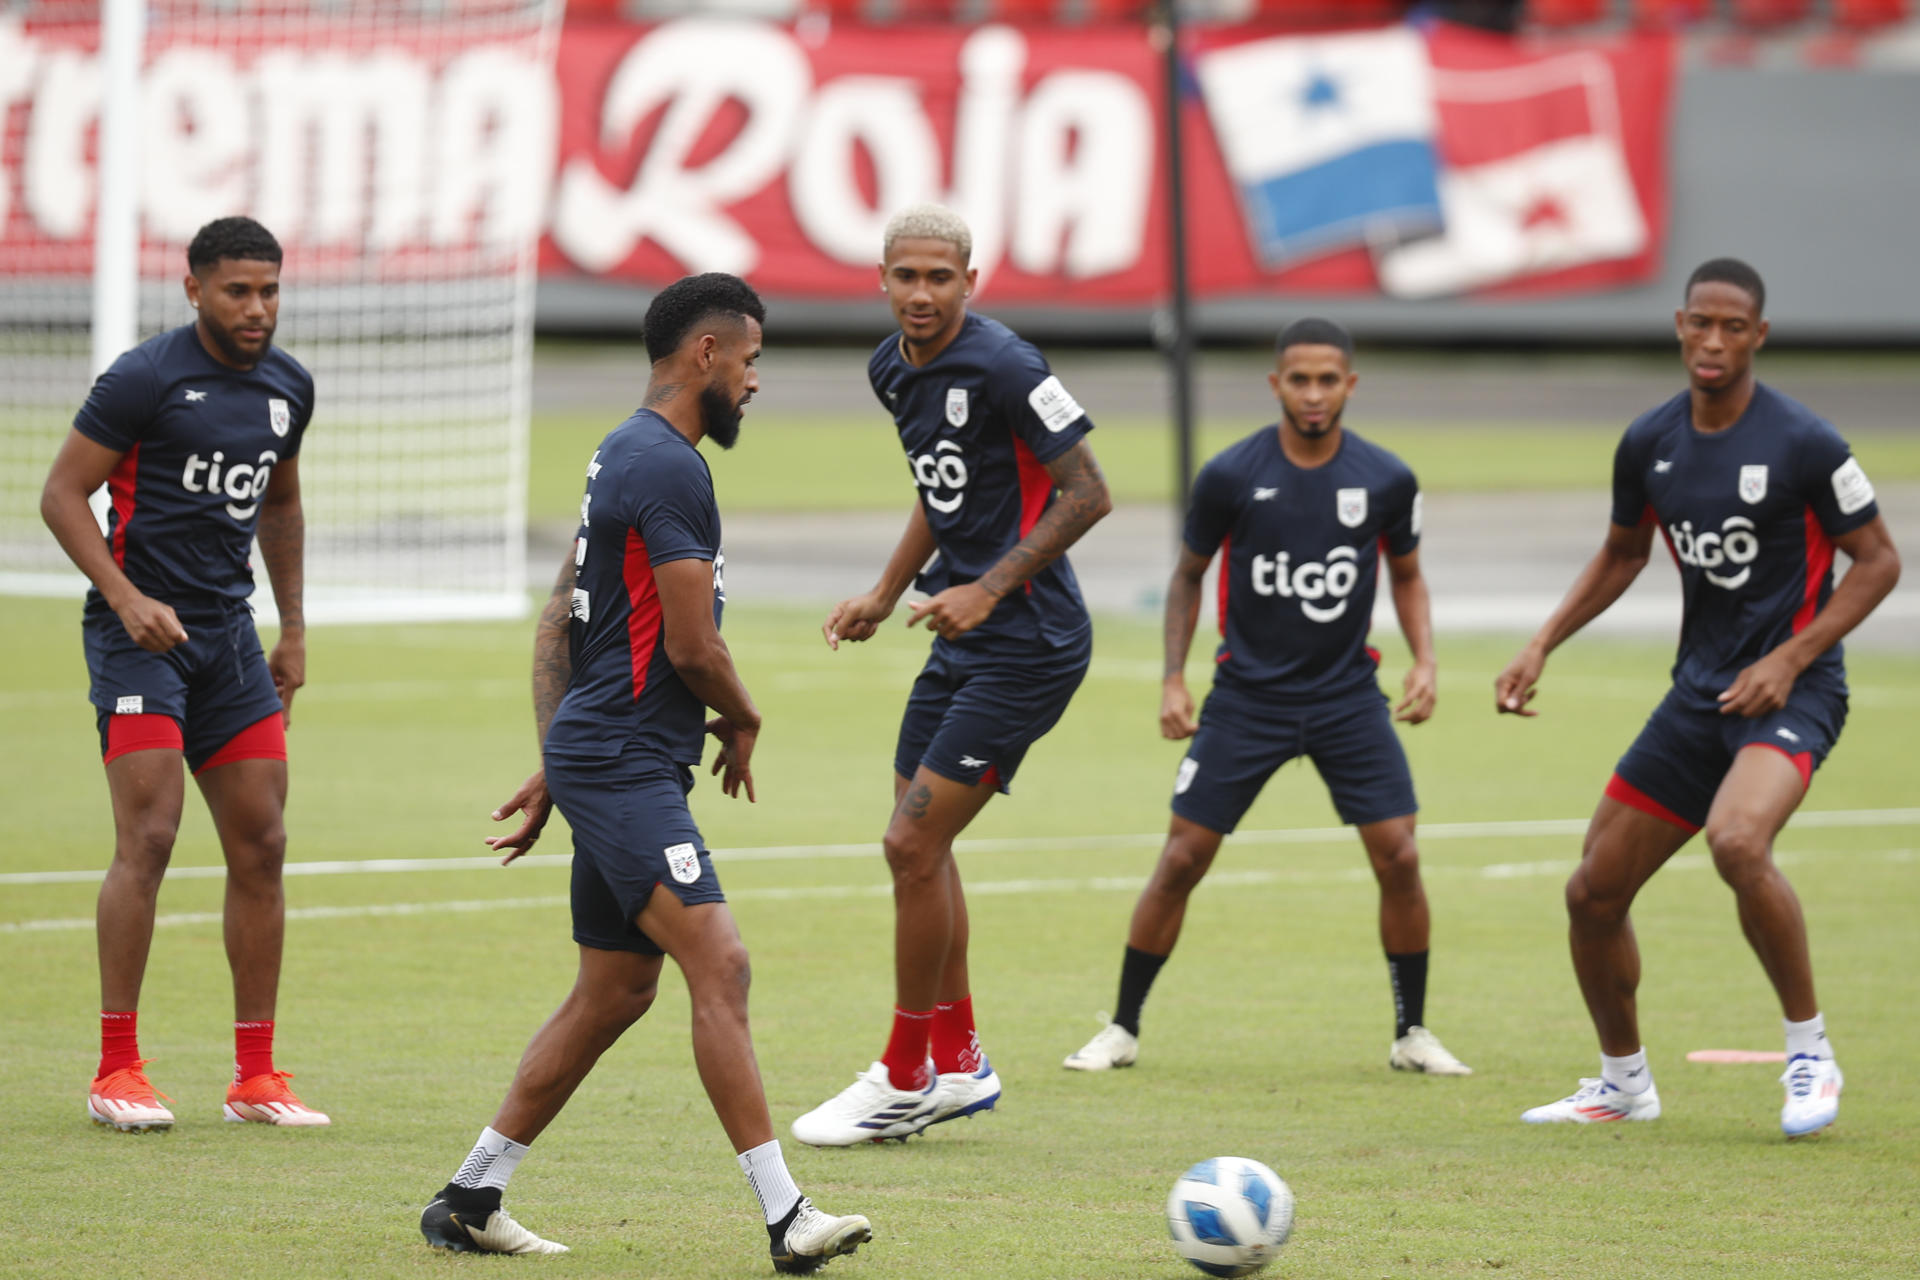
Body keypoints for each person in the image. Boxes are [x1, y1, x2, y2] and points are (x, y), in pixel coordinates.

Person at [417, 274, 871, 1272]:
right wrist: (741, 715)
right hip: (623, 757)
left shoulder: (619, 451)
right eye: (749, 360)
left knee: (617, 989)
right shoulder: (668, 466)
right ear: (706, 354)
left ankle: (471, 1192)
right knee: (723, 962)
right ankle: (786, 1214)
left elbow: (560, 619)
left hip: (608, 751)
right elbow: (692, 646)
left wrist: (557, 755)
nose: (755, 382)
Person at [1495, 259, 1900, 1136]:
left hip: (1794, 691)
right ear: (1680, 325)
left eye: (1732, 327)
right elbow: (1621, 555)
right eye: (1700, 324)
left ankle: (1810, 1056)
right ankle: (1623, 1084)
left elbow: (1879, 561)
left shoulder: (1805, 442)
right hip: (1700, 697)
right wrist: (1540, 643)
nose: (1713, 342)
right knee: (1592, 893)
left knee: (1737, 840)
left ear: (1759, 335)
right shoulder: (1651, 442)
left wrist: (1791, 658)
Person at [1062, 318, 1472, 1079]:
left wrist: (1426, 661)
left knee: (1401, 856)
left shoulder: (1386, 479)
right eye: (1299, 379)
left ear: (1350, 385)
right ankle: (1121, 1027)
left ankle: (1412, 1032)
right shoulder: (1229, 476)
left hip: (1349, 698)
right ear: (1275, 384)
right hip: (1246, 699)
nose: (1313, 394)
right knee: (1182, 858)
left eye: (1327, 380)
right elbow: (1188, 575)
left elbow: (1407, 575)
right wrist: (1175, 677)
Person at [790, 204, 1113, 1147]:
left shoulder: (1010, 365)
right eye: (905, 276)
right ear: (881, 280)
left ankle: (902, 1073)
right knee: (918, 848)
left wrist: (988, 586)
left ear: (972, 281)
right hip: (959, 633)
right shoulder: (891, 368)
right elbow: (944, 490)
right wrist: (889, 591)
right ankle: (961, 1062)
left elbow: (1090, 491)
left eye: (940, 277)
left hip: (1032, 640)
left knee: (908, 848)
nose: (921, 294)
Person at [40, 216, 326, 1131]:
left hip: (230, 640)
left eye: (270, 290)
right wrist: (124, 598)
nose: (257, 308)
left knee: (264, 843)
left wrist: (293, 629)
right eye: (239, 290)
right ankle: (116, 1068)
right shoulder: (144, 377)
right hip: (139, 638)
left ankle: (256, 1077)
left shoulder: (288, 387)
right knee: (152, 836)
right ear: (195, 288)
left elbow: (280, 503)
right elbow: (60, 494)